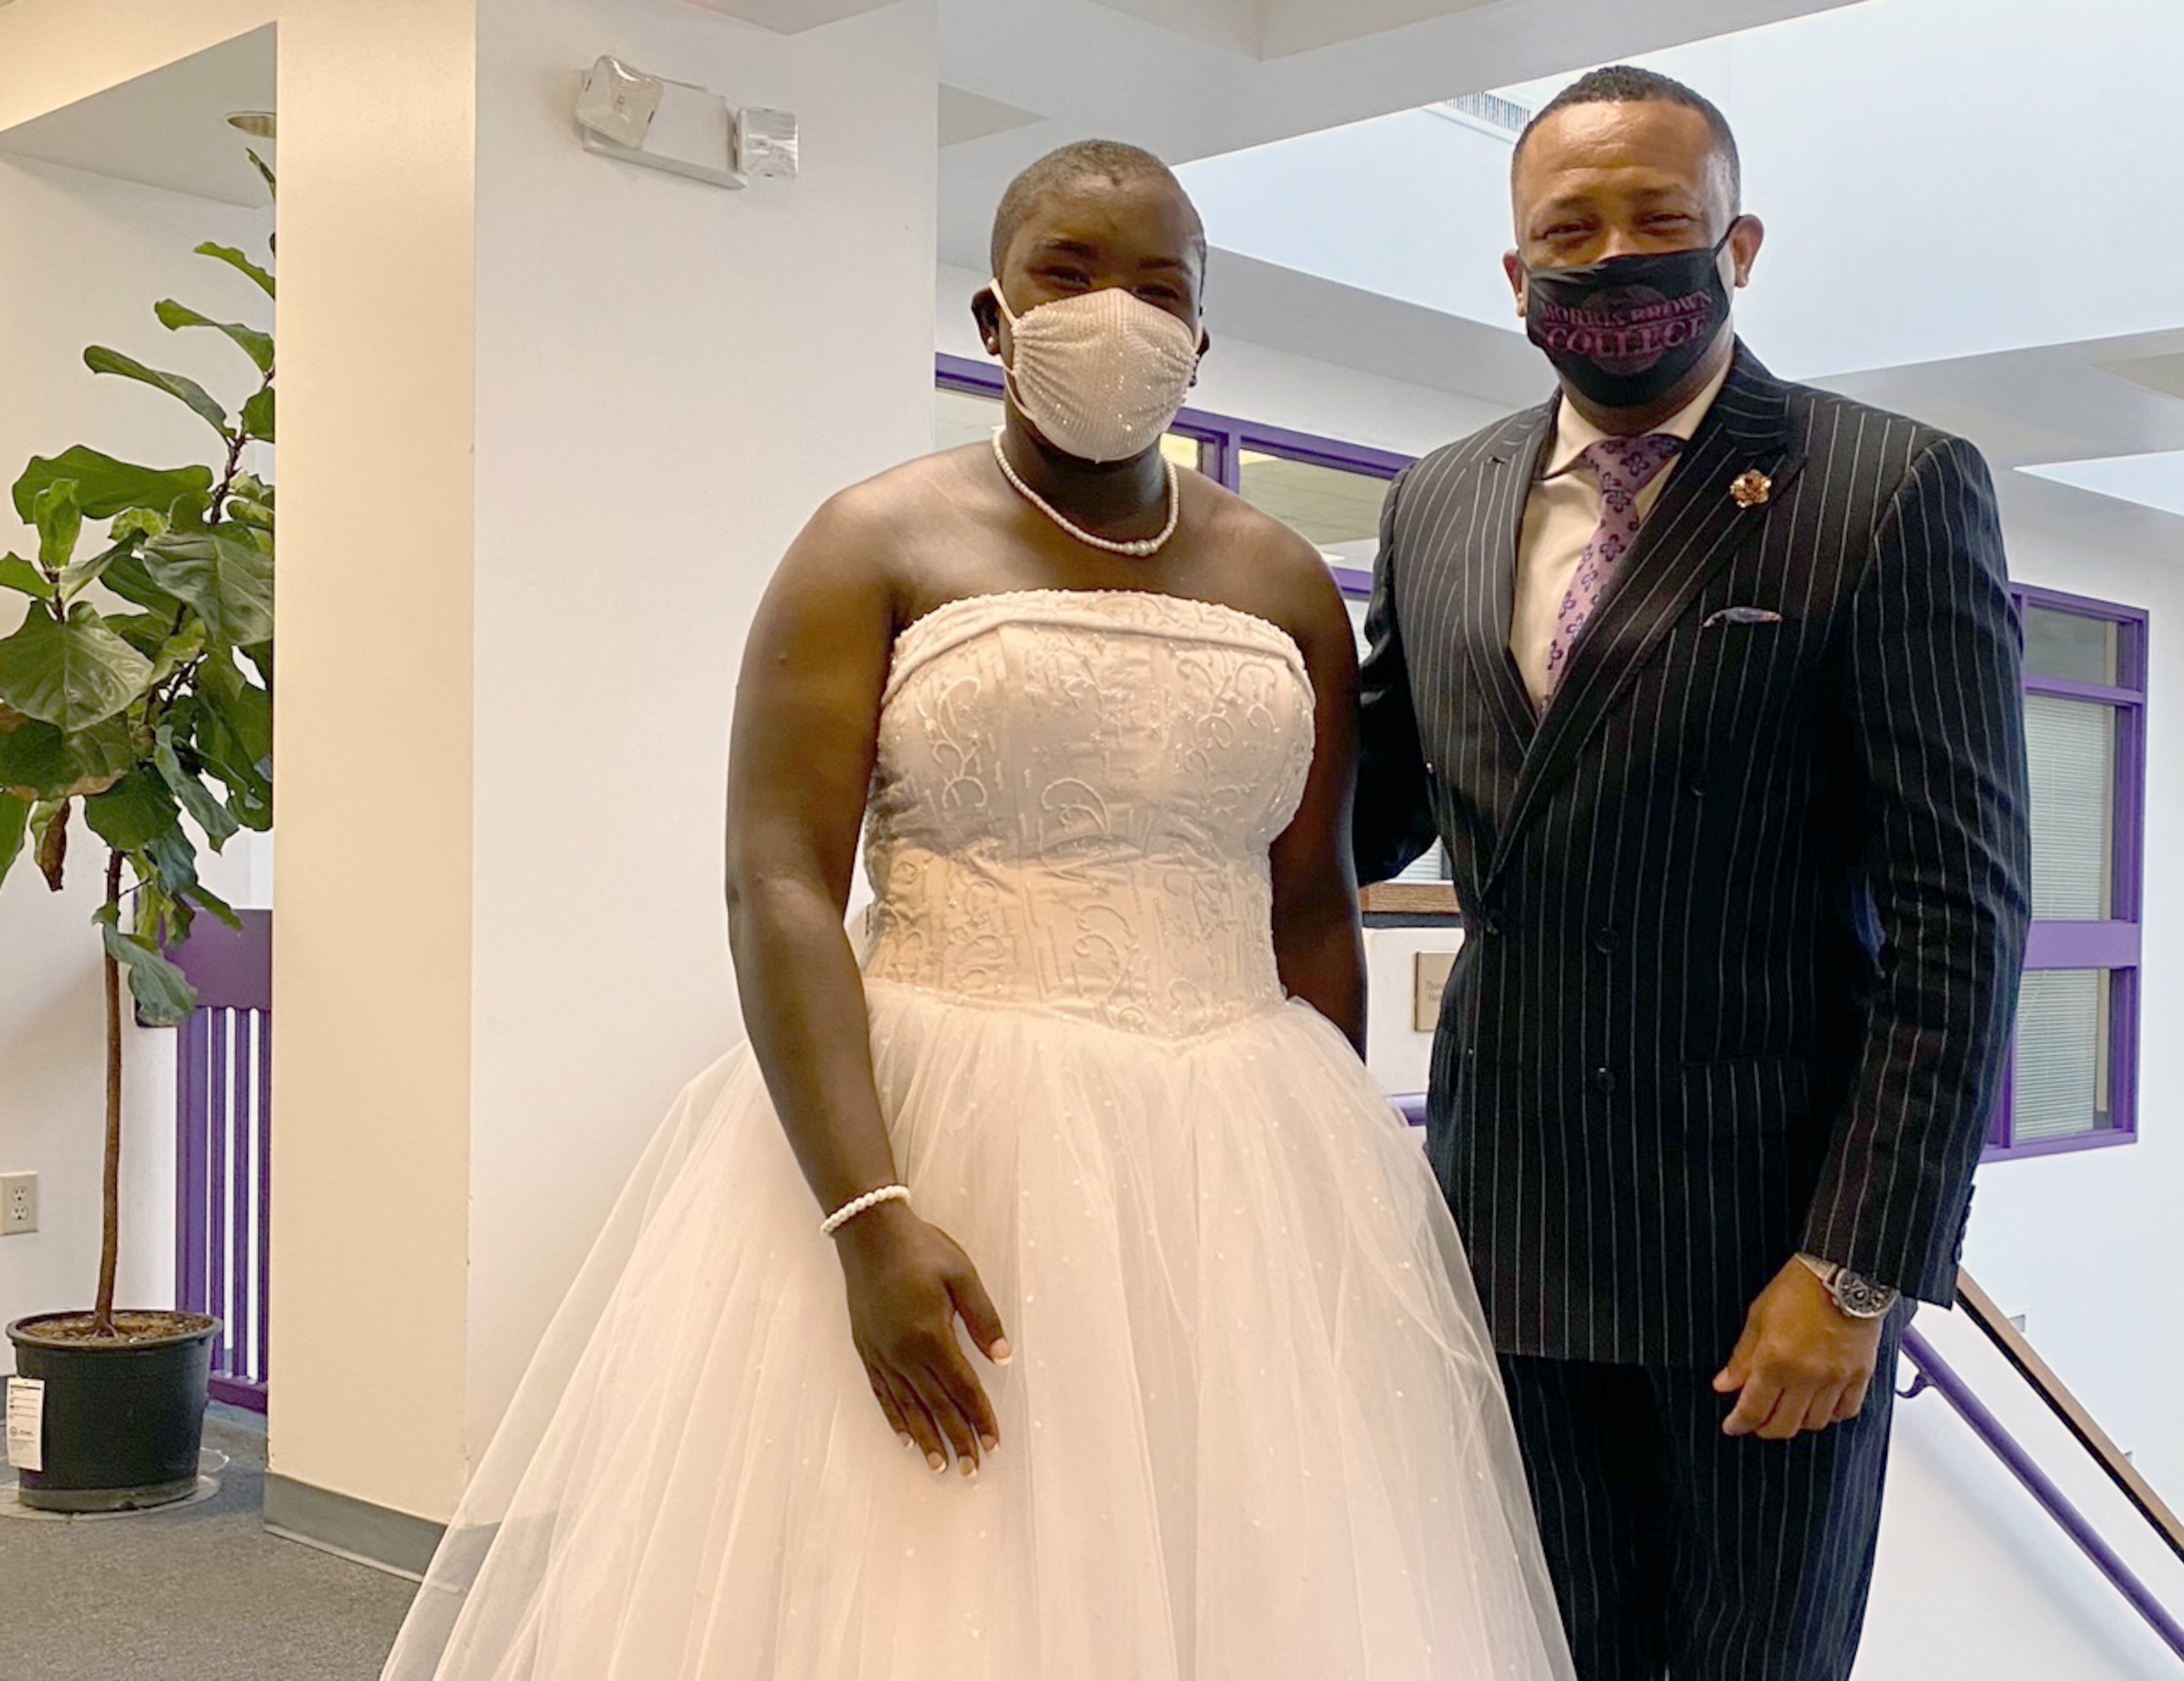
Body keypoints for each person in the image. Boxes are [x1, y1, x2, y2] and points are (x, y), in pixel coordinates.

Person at [380, 140, 1572, 1681]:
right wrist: (867, 1217)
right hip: (944, 1122)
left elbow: (1310, 903)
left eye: (1160, 288)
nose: (1115, 316)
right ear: (995, 314)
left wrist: (1335, 1199)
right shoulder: (871, 540)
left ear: (1204, 337)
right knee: (935, 1568)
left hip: (1245, 1149)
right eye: (1068, 276)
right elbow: (780, 881)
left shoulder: (1281, 578)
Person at [1354, 67, 2033, 1681]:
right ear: (1516, 278)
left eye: (1661, 220)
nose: (1616, 257)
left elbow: (1960, 912)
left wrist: (1857, 1265)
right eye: (1568, 230)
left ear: (1740, 242)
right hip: (1504, 1243)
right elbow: (1371, 809)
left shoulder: (1887, 490)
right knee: (1526, 1649)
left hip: (1764, 1266)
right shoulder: (1437, 501)